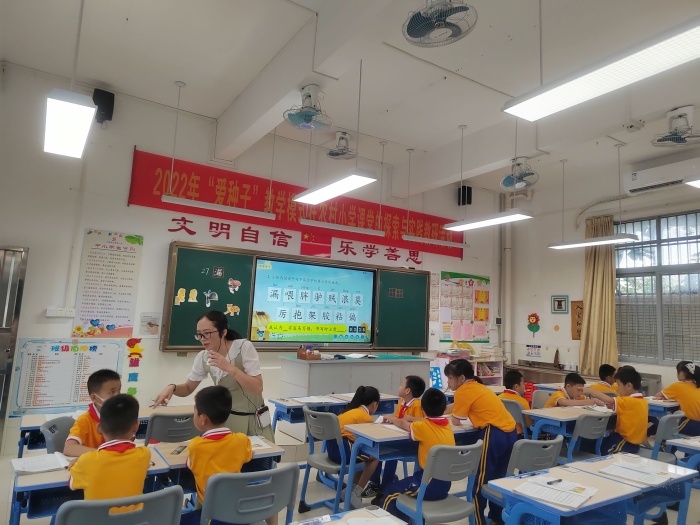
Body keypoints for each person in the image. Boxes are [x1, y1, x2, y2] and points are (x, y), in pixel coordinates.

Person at [153, 310, 274, 468]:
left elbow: (257, 387)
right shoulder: (203, 357)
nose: (203, 339)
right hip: (229, 422)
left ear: (223, 332)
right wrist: (172, 387)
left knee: (260, 467)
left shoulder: (243, 347)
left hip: (254, 420)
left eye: (207, 333)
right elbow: (188, 388)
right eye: (199, 335)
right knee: (231, 469)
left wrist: (230, 368)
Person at [444, 359, 516, 525]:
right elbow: (460, 406)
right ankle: (497, 519)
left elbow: (455, 420)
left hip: (494, 434)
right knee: (497, 481)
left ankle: (478, 521)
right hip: (510, 433)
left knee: (480, 482)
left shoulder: (462, 391)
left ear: (461, 378)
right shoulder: (478, 386)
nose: (448, 382)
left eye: (450, 378)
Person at [181, 385, 253, 525]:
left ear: (203, 419)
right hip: (236, 513)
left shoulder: (196, 446)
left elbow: (190, 464)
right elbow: (248, 455)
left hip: (211, 517)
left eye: (195, 412)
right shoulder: (241, 440)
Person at [380, 388, 455, 522]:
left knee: (390, 491)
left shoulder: (422, 426)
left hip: (427, 485)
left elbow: (403, 423)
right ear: (445, 408)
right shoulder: (448, 426)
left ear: (422, 408)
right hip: (445, 485)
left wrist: (391, 418)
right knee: (406, 485)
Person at [69, 394, 150, 501]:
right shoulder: (144, 454)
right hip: (135, 512)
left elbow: (72, 485)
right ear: (136, 425)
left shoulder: (86, 460)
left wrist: (77, 462)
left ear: (99, 428)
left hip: (97, 513)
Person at [326, 385, 381, 509]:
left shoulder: (351, 411)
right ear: (374, 404)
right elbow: (371, 438)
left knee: (363, 456)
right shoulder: (365, 417)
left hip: (332, 449)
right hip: (342, 452)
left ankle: (350, 490)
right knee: (374, 458)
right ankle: (356, 493)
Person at [377, 375, 427, 503]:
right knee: (378, 450)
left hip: (411, 443)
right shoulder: (402, 401)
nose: (399, 386)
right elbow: (398, 419)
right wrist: (391, 420)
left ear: (407, 391)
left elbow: (419, 424)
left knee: (390, 455)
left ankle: (384, 487)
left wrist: (402, 421)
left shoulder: (417, 405)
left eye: (402, 384)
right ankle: (375, 484)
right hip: (399, 438)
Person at [585, 367, 648, 454]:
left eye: (619, 385)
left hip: (626, 442)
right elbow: (628, 412)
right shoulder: (643, 401)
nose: (617, 389)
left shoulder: (627, 401)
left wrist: (589, 391)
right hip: (629, 440)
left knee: (599, 450)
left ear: (629, 386)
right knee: (594, 445)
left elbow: (609, 399)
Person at [64, 369, 121, 457]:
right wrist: (105, 454)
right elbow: (69, 448)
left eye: (119, 391)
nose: (117, 396)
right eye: (112, 392)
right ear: (94, 398)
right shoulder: (85, 420)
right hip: (93, 463)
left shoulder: (121, 417)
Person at [654, 361, 700, 436]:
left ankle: (657, 438)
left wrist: (664, 397)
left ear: (682, 373)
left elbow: (657, 395)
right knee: (671, 418)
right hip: (696, 423)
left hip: (693, 423)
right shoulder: (697, 385)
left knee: (662, 420)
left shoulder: (679, 386)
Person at [498, 370, 533, 437]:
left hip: (502, 433)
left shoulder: (498, 398)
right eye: (523, 383)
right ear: (516, 386)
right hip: (519, 434)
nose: (524, 385)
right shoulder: (522, 402)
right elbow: (529, 424)